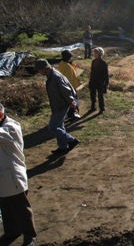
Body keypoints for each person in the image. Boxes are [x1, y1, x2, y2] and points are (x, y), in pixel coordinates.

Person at [0, 103, 37, 246]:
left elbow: (3, 136)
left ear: (1, 115)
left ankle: (30, 235)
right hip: (3, 174)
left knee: (21, 208)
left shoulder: (11, 127)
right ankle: (11, 232)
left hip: (12, 173)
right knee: (6, 207)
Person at [35, 59, 80, 155]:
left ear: (44, 69)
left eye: (39, 70)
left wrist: (71, 101)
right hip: (58, 104)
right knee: (60, 126)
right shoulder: (52, 75)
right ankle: (63, 147)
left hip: (61, 105)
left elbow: (66, 90)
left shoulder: (55, 77)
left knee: (52, 127)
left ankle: (71, 140)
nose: (39, 72)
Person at [57, 50, 81, 122]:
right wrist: (73, 88)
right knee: (72, 100)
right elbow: (69, 79)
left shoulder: (61, 64)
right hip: (70, 86)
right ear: (68, 58)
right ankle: (72, 114)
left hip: (63, 86)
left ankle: (69, 114)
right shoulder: (67, 66)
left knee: (67, 100)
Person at [89, 47, 109, 114]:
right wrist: (90, 81)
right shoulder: (93, 61)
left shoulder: (103, 63)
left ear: (100, 53)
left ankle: (102, 108)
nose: (94, 54)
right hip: (93, 81)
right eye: (94, 52)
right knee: (92, 94)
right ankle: (93, 106)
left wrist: (106, 83)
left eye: (96, 52)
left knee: (100, 96)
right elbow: (92, 72)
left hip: (100, 81)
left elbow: (106, 74)